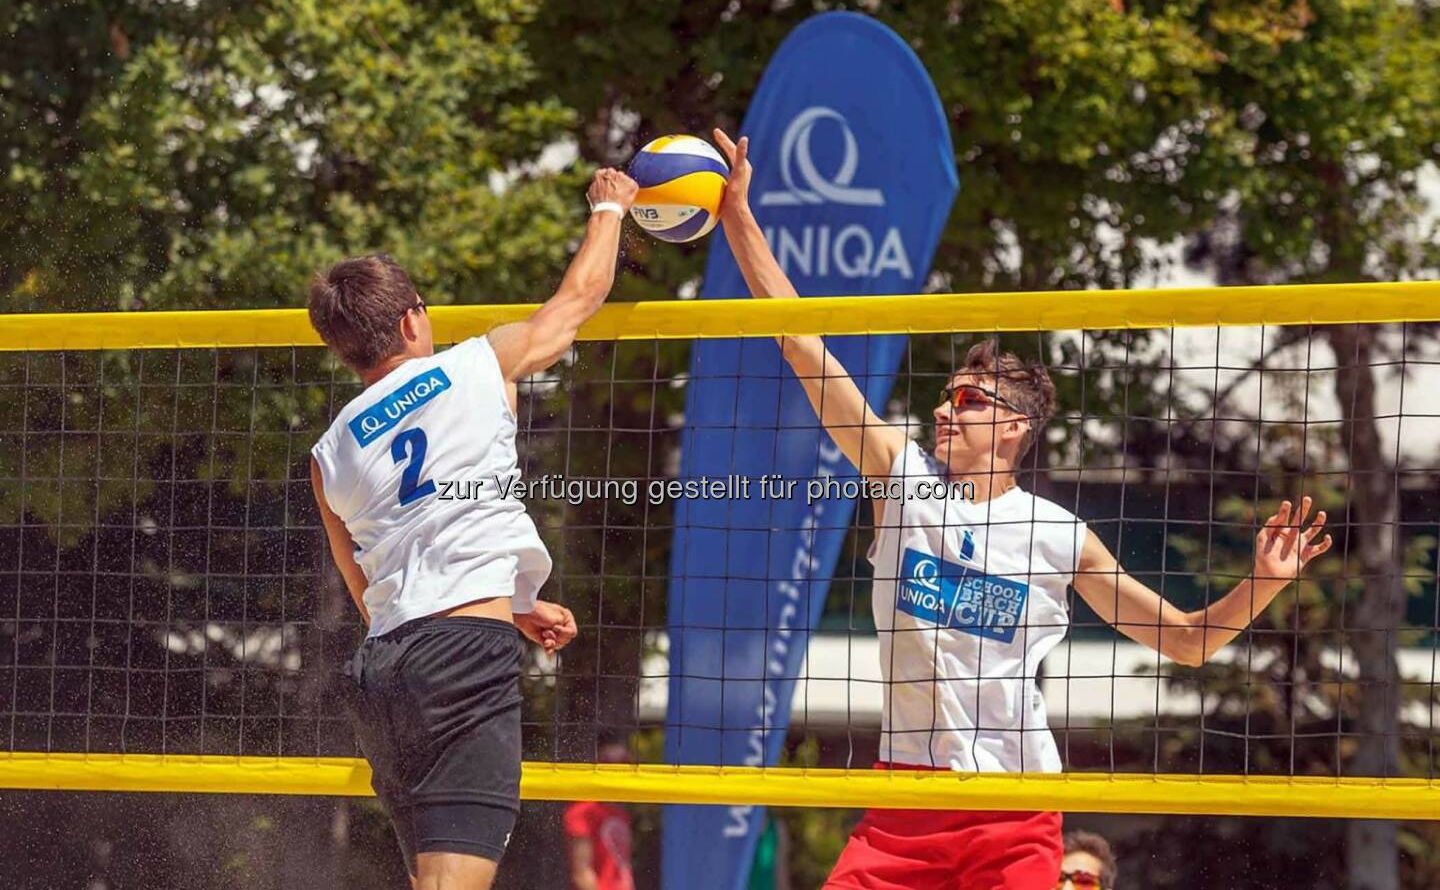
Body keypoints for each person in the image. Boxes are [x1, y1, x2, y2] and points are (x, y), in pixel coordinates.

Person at [708, 128, 1332, 890]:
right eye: (945, 394)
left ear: (1015, 427)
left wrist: (1263, 583)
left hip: (1016, 802)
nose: (946, 408)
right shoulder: (900, 477)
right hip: (902, 797)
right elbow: (802, 345)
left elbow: (1190, 641)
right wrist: (739, 215)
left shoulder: (1059, 537)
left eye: (967, 400)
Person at [308, 167, 640, 890]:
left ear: (344, 348)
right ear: (409, 322)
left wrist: (511, 605)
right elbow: (578, 300)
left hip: (383, 670)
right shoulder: (474, 366)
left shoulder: (327, 453)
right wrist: (611, 206)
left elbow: (373, 590)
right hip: (462, 659)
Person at [564, 740, 636, 890]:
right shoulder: (583, 811)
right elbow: (581, 872)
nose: (621, 770)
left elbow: (623, 868)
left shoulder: (620, 812)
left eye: (625, 764)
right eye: (614, 765)